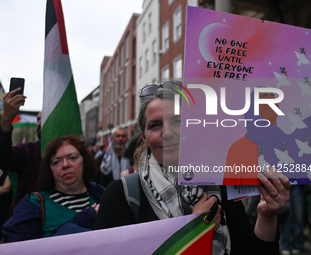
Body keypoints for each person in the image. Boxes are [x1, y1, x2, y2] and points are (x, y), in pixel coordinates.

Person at [94, 84, 291, 255]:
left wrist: (266, 216)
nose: (168, 133)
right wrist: (192, 232)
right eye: (155, 125)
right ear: (144, 136)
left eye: (177, 122)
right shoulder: (121, 196)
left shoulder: (219, 186)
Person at [2, 135, 104, 243]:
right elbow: (23, 249)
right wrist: (85, 219)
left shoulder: (103, 194)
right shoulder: (33, 205)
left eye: (72, 158)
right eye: (56, 162)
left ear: (85, 161)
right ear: (49, 170)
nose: (65, 165)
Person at [0, 88, 41, 217]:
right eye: (38, 120)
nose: (39, 124)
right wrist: (7, 118)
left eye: (44, 119)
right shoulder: (29, 151)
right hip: (26, 224)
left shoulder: (78, 155)